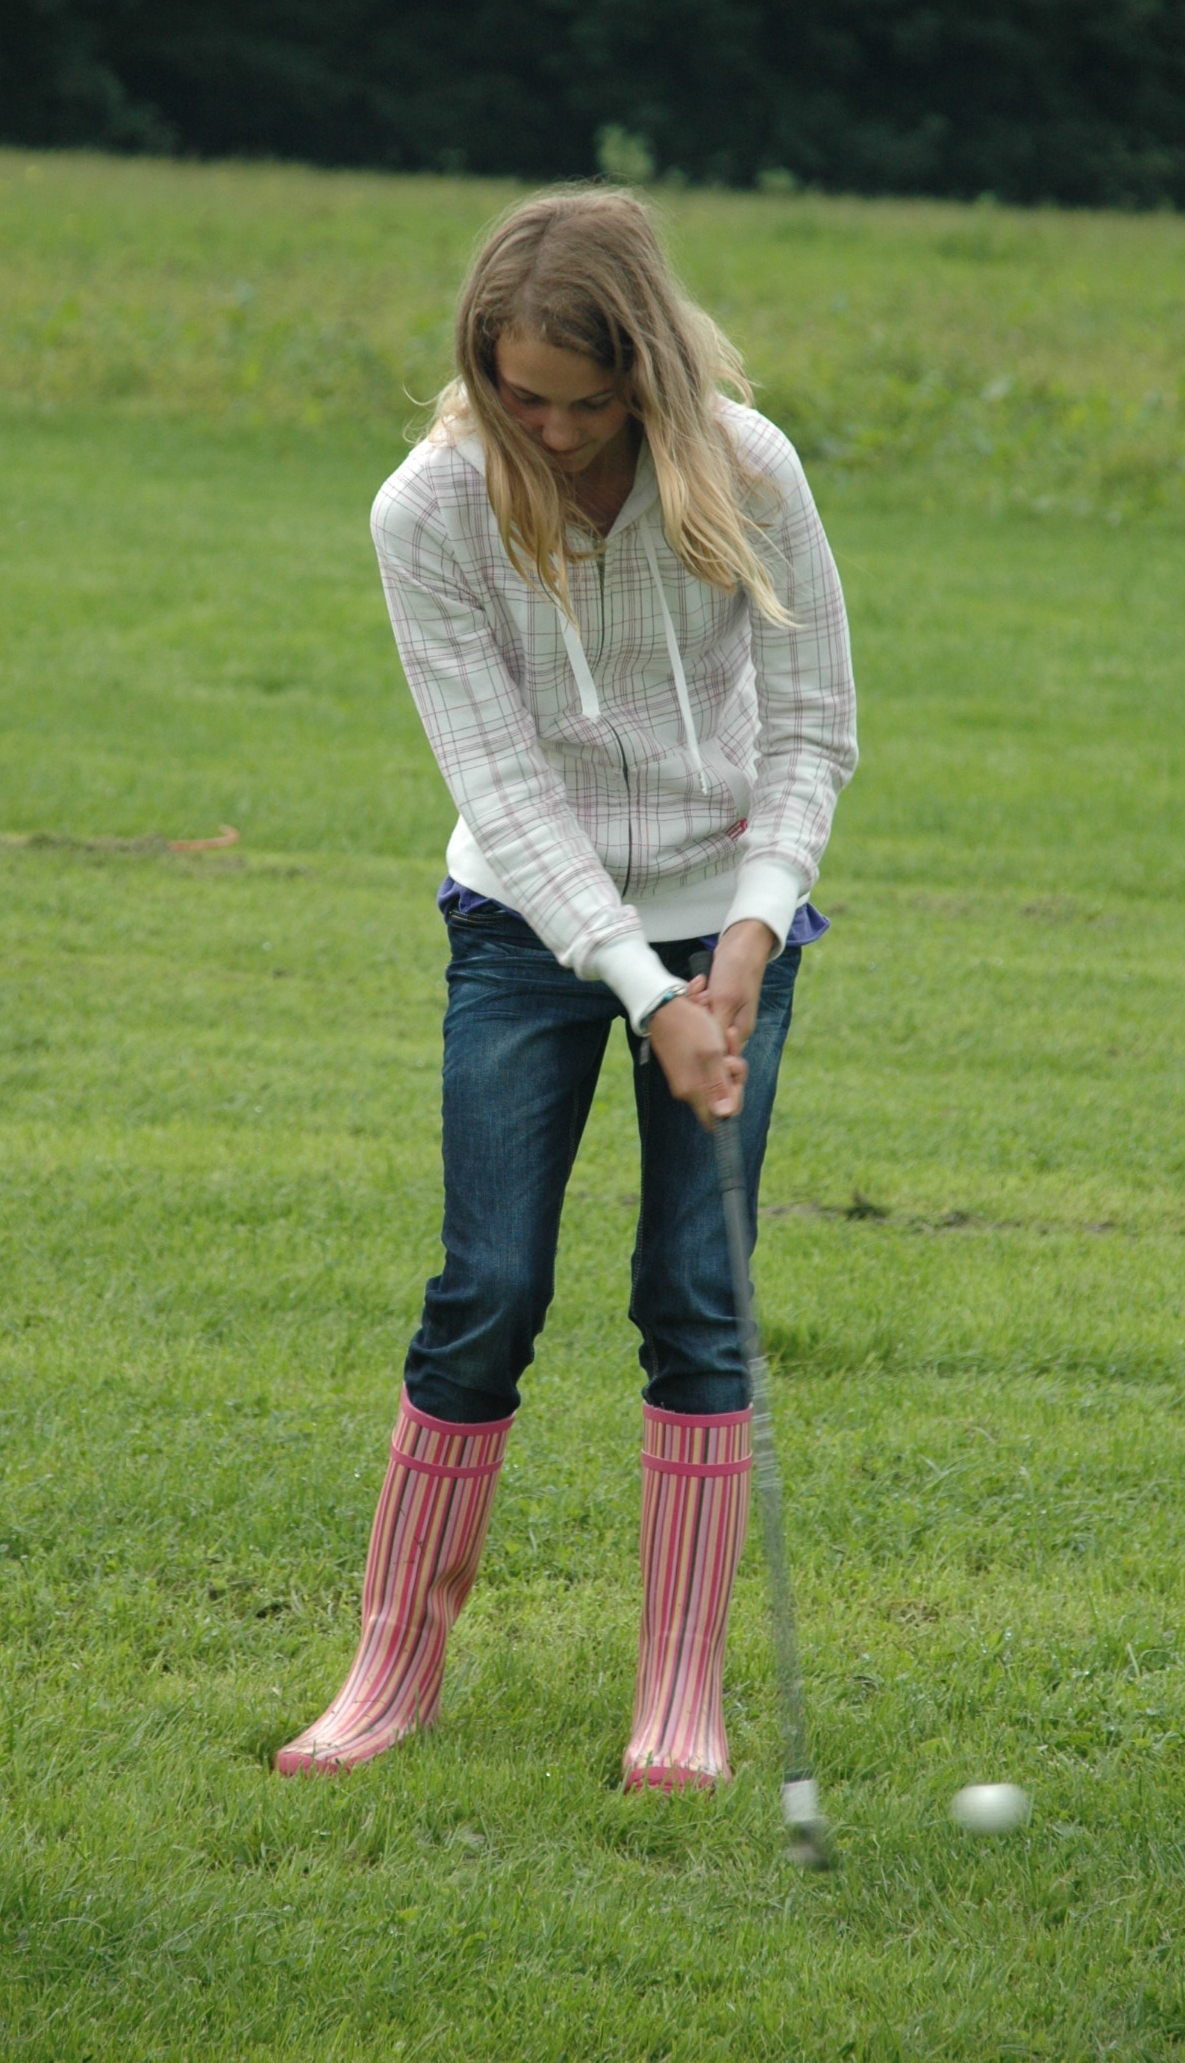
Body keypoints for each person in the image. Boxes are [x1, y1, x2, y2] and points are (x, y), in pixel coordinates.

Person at [277, 187, 855, 1791]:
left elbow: (812, 729)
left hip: (729, 920)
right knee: (488, 1288)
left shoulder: (750, 472)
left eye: (585, 404)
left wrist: (745, 942)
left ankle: (681, 1695)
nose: (550, 430)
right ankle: (392, 1670)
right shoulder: (429, 508)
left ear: (646, 375)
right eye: (519, 396)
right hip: (522, 927)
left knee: (697, 1295)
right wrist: (636, 984)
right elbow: (502, 784)